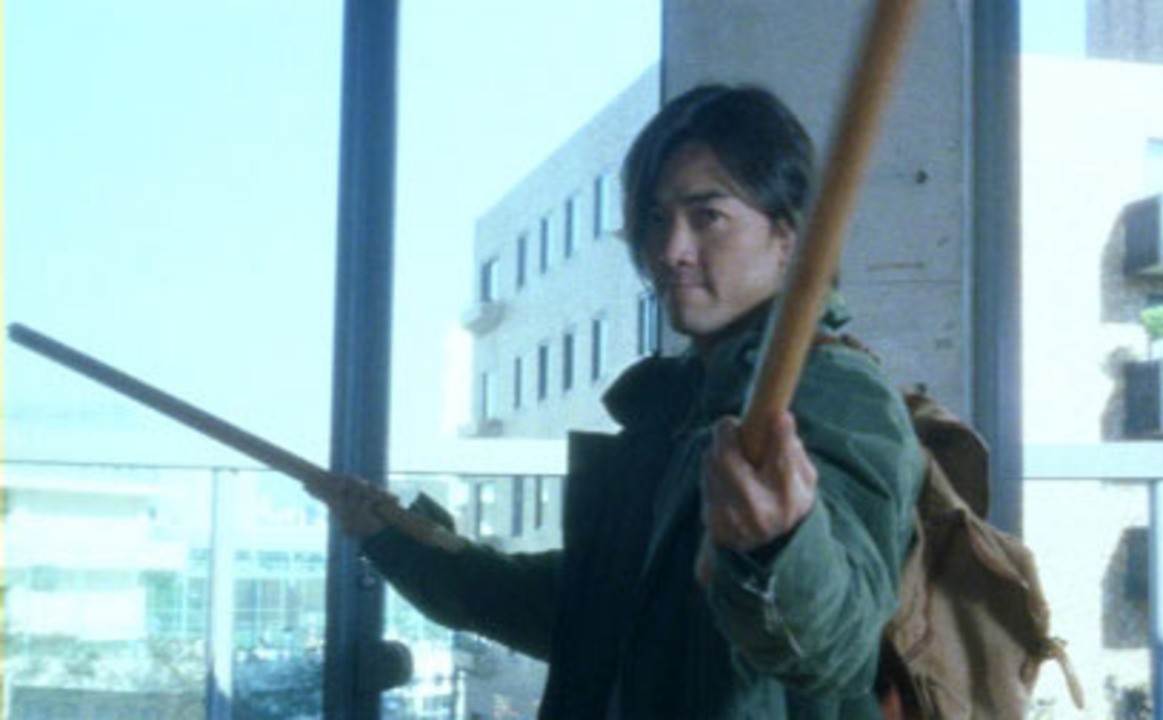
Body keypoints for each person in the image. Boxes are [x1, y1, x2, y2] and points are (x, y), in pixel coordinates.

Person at [320, 84, 924, 719]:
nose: (671, 251)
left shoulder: (834, 392)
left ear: (789, 236)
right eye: (657, 219)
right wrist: (395, 539)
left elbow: (837, 647)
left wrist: (779, 548)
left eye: (707, 216)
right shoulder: (681, 406)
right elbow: (580, 616)